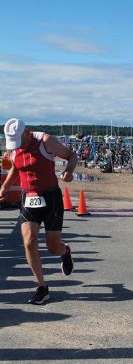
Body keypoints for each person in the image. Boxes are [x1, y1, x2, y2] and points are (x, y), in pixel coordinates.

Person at [0, 118, 78, 304]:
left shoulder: (45, 141)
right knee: (29, 242)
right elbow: (17, 169)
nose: (16, 146)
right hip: (29, 198)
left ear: (27, 132)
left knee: (52, 248)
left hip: (51, 197)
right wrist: (4, 188)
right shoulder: (14, 147)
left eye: (19, 142)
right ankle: (41, 287)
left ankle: (64, 251)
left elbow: (72, 156)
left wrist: (68, 171)